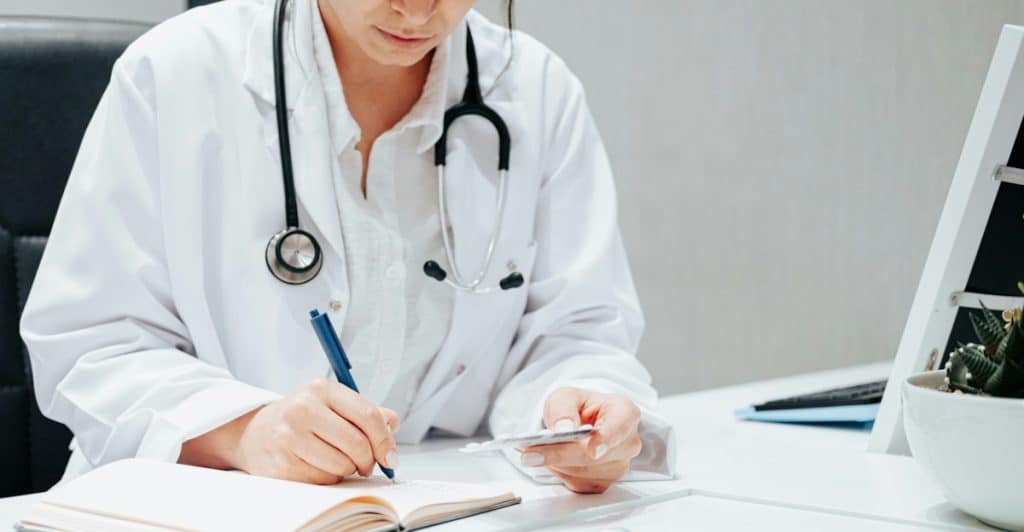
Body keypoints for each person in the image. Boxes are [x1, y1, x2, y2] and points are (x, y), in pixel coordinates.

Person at [20, 0, 675, 494]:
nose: (417, 9)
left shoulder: (535, 90)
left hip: (436, 505)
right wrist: (244, 432)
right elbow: (89, 343)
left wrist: (580, 412)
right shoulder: (176, 74)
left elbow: (578, 331)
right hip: (192, 509)